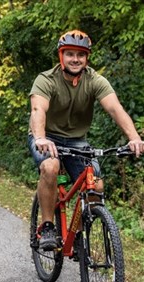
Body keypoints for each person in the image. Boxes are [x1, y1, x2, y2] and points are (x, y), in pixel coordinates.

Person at [29, 30, 144, 251]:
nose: (75, 59)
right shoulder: (46, 79)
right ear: (61, 56)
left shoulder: (95, 80)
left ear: (86, 58)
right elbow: (37, 109)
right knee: (51, 167)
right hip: (46, 136)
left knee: (95, 185)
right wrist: (40, 137)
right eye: (69, 54)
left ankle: (79, 233)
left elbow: (115, 109)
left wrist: (135, 138)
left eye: (80, 55)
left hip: (76, 140)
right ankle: (47, 227)